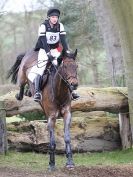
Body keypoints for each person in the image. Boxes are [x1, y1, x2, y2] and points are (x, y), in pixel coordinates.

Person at [28, 8, 79, 102]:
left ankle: (72, 91)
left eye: (56, 17)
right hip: (44, 49)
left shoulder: (60, 26)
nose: (55, 19)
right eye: (53, 17)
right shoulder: (43, 26)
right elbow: (43, 41)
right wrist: (48, 54)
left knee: (62, 67)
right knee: (41, 68)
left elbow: (63, 40)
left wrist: (66, 51)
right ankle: (37, 92)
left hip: (56, 49)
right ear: (49, 18)